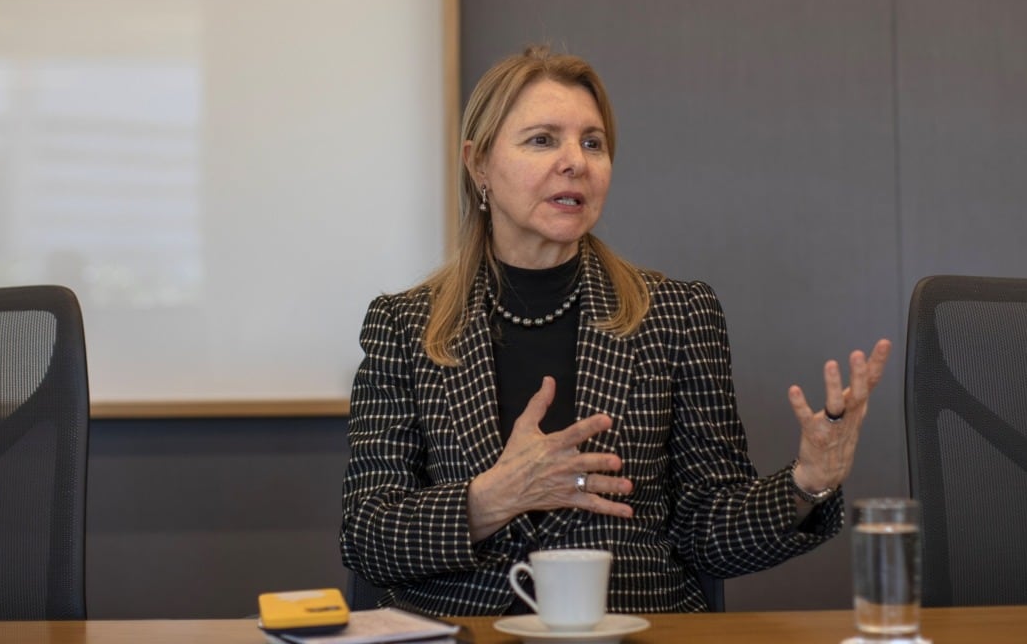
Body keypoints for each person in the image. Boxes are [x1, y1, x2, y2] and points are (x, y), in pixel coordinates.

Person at [340, 45, 891, 616]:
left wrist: (807, 482)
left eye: (592, 143)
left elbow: (707, 531)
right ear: (479, 164)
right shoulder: (404, 326)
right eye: (542, 139)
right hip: (467, 631)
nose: (575, 161)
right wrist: (491, 498)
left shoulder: (678, 314)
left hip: (635, 628)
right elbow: (367, 535)